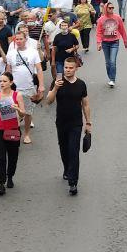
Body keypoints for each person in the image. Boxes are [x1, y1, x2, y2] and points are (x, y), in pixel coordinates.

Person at [44, 55, 92, 196]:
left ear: (76, 69)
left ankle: (73, 182)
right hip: (61, 122)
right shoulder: (57, 82)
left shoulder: (81, 84)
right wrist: (55, 89)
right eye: (66, 67)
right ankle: (67, 169)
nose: (68, 70)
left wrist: (88, 122)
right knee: (64, 149)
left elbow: (86, 104)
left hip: (76, 123)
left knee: (73, 151)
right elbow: (49, 101)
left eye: (71, 68)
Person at [0, 72, 25, 196]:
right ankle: (1, 183)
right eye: (1, 81)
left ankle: (10, 176)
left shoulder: (17, 95)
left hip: (13, 130)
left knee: (13, 156)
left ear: (11, 82)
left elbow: (23, 114)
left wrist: (18, 109)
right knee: (0, 158)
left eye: (4, 81)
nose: (2, 83)